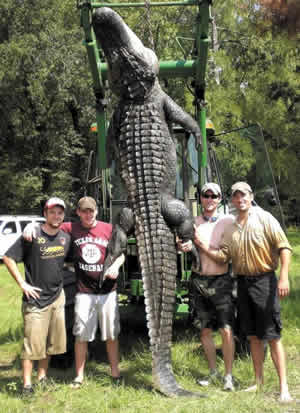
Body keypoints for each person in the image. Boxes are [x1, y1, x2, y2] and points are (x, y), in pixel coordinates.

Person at [195, 181, 293, 403]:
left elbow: (284, 247)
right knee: (252, 337)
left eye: (244, 195)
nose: (240, 200)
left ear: (251, 196)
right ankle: (258, 382)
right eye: (236, 196)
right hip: (242, 283)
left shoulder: (264, 218)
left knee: (272, 335)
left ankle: (283, 387)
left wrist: (284, 276)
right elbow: (223, 256)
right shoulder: (230, 226)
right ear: (232, 200)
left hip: (264, 281)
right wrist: (201, 245)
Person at [24, 196, 124, 388]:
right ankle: (79, 376)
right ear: (78, 212)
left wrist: (117, 266)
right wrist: (32, 225)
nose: (88, 214)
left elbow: (120, 254)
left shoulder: (108, 229)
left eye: (91, 210)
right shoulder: (71, 228)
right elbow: (50, 225)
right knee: (81, 336)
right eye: (84, 211)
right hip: (83, 291)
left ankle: (115, 373)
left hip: (108, 291)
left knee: (111, 334)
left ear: (96, 211)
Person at [3, 197, 71, 395]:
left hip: (57, 298)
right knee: (32, 346)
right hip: (36, 301)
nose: (56, 216)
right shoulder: (31, 235)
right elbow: (8, 257)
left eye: (59, 212)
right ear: (45, 214)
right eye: (52, 212)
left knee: (50, 344)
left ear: (63, 216)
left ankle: (42, 378)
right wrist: (22, 283)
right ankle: (26, 385)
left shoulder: (64, 238)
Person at [178, 183, 236, 391]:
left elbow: (225, 257)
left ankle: (228, 376)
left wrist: (201, 245)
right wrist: (184, 246)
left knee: (226, 330)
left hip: (221, 282)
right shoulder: (192, 223)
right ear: (200, 198)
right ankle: (213, 372)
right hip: (198, 281)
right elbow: (185, 244)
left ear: (220, 199)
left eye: (214, 196)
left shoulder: (228, 222)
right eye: (206, 195)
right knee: (204, 331)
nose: (210, 199)